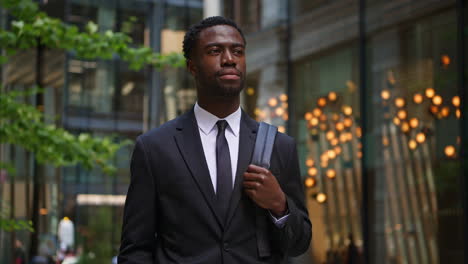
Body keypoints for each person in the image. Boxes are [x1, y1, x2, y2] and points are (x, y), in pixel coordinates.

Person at [118, 16, 311, 263]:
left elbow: (300, 243)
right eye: (215, 51)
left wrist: (279, 205)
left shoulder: (280, 146)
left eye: (237, 51)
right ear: (192, 67)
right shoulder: (154, 148)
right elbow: (135, 250)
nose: (229, 59)